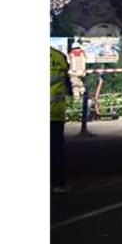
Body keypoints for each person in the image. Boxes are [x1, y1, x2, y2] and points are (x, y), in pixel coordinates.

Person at [50, 45, 70, 193]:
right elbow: (67, 86)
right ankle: (58, 184)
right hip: (55, 113)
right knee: (55, 150)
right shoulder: (59, 56)